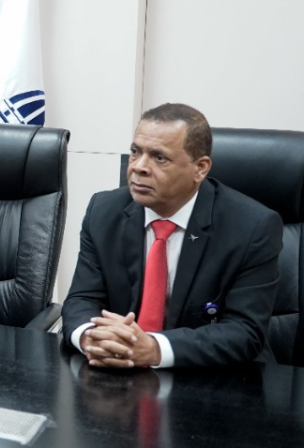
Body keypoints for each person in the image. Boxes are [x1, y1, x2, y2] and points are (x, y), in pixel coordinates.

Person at [62, 103, 283, 368]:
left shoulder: (252, 226)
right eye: (135, 152)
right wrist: (90, 337)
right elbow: (82, 299)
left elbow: (245, 330)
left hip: (215, 378)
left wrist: (155, 349)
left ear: (200, 168)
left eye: (159, 158)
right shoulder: (104, 211)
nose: (139, 167)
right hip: (116, 371)